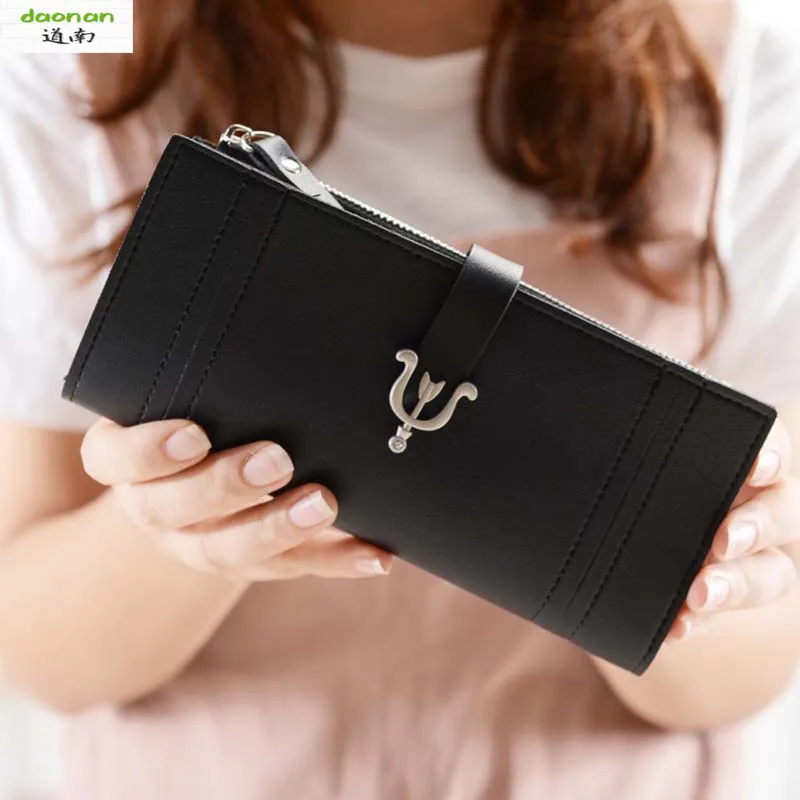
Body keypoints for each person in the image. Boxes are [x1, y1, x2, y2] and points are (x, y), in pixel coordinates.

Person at [0, 0, 798, 798]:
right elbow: (38, 645)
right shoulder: (72, 44)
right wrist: (187, 522)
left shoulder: (748, 69)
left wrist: (650, 565)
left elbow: (744, 665)